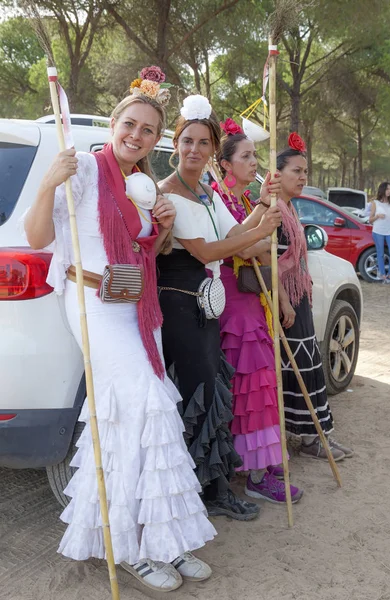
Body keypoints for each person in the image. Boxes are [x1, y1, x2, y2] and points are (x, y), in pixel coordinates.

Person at [22, 68, 216, 593]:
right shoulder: (82, 167)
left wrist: (163, 229)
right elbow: (38, 237)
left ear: (157, 139)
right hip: (92, 303)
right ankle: (124, 545)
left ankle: (161, 540)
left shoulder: (146, 186)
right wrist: (46, 183)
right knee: (143, 401)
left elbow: (140, 253)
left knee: (141, 416)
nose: (137, 135)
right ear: (114, 124)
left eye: (149, 130)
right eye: (130, 124)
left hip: (137, 304)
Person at [157, 95, 282, 520]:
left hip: (205, 306)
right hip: (180, 307)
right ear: (176, 144)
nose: (194, 149)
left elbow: (235, 231)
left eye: (203, 143)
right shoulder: (168, 194)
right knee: (199, 394)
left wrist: (263, 204)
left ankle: (211, 490)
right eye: (187, 141)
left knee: (213, 392)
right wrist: (260, 231)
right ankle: (204, 493)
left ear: (213, 150)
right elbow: (208, 249)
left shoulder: (206, 192)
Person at [212, 118, 303, 504]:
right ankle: (255, 473)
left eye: (254, 154)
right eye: (246, 156)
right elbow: (241, 248)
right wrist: (265, 217)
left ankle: (262, 458)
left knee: (263, 386)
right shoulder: (217, 197)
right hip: (235, 307)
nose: (254, 163)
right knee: (250, 389)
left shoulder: (245, 199)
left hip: (255, 300)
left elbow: (260, 252)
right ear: (226, 164)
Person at [276, 133, 353, 461]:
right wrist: (282, 300)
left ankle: (315, 435)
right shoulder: (272, 209)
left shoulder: (289, 207)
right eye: (297, 170)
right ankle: (309, 437)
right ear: (277, 173)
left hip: (297, 298)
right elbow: (268, 261)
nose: (303, 177)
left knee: (308, 365)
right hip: (286, 303)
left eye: (305, 171)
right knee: (296, 366)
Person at [369, 182, 390, 284]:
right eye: (387, 189)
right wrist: (377, 216)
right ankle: (383, 276)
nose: (389, 191)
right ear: (382, 190)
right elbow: (370, 220)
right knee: (380, 254)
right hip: (378, 231)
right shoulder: (375, 203)